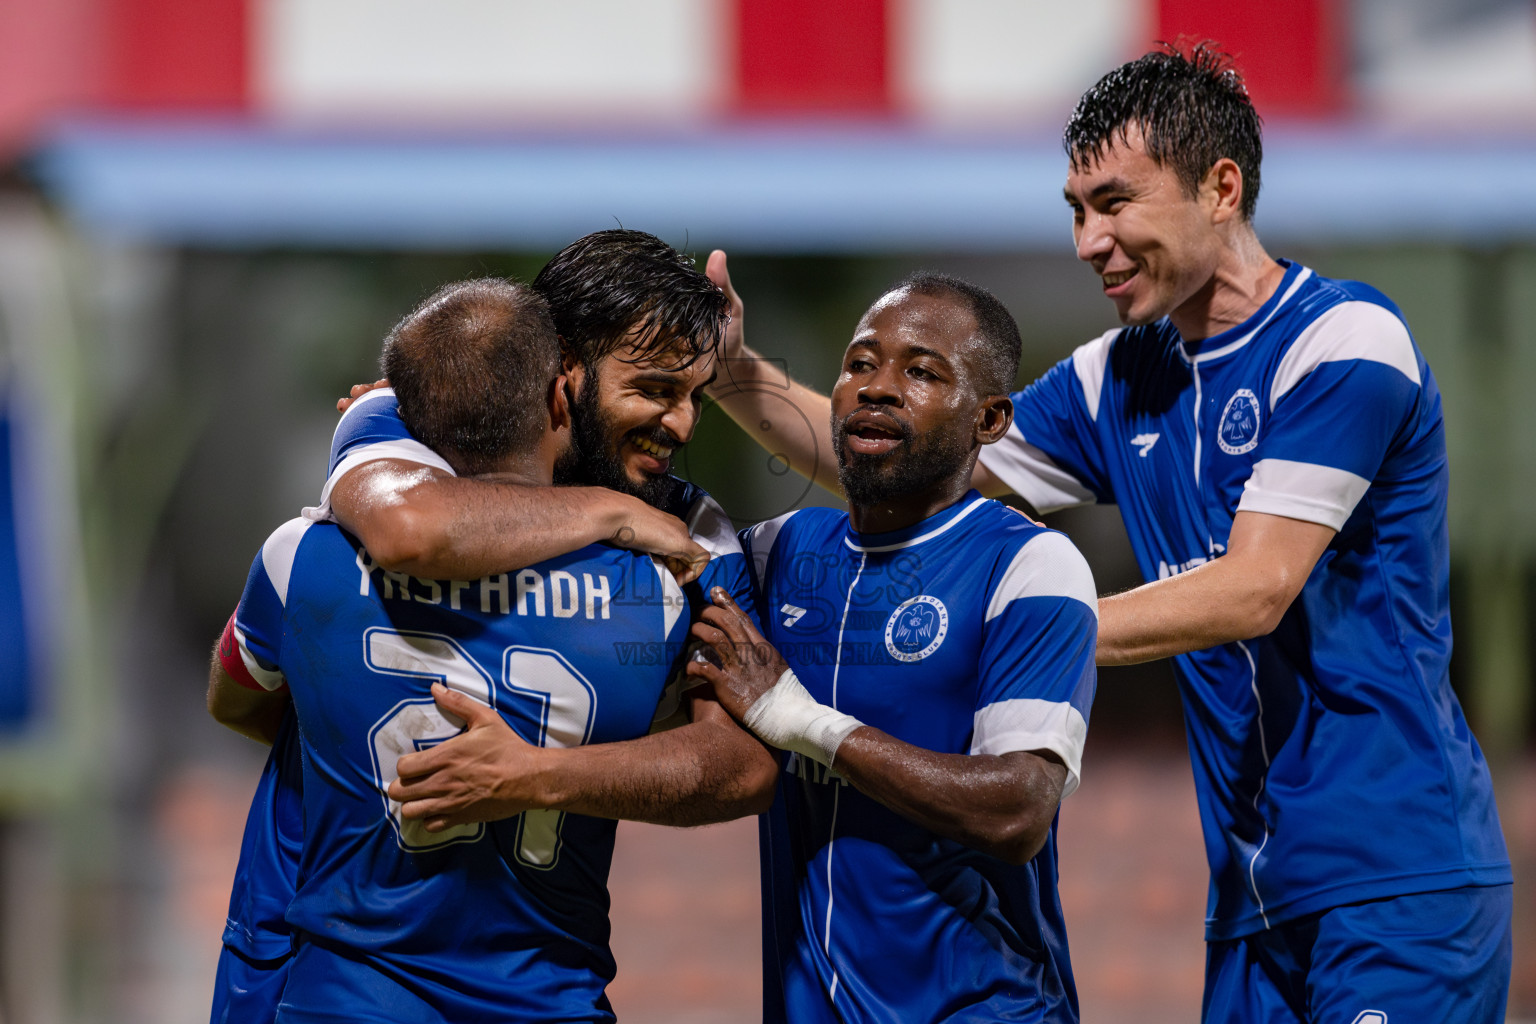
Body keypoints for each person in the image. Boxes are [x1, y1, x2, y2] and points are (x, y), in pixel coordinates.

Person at [702, 44, 1511, 1024]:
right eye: (1077, 209)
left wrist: (1023, 636)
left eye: (1116, 203)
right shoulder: (1120, 374)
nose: (1090, 241)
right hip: (1253, 897)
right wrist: (730, 372)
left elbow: (1254, 588)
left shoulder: (1345, 341)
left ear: (1221, 189)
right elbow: (909, 451)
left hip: (1395, 879)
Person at [208, 231, 777, 1022]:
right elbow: (409, 527)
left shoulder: (688, 533)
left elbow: (742, 766)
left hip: (409, 979)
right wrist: (608, 512)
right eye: (653, 389)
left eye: (696, 396)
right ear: (561, 374)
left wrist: (531, 772)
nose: (682, 424)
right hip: (356, 964)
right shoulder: (401, 428)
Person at [684, 273, 1098, 1022]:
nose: (876, 388)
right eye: (860, 364)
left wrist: (800, 721)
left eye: (923, 372)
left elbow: (1018, 810)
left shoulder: (1030, 565)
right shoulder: (776, 552)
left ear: (989, 419)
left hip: (983, 1009)